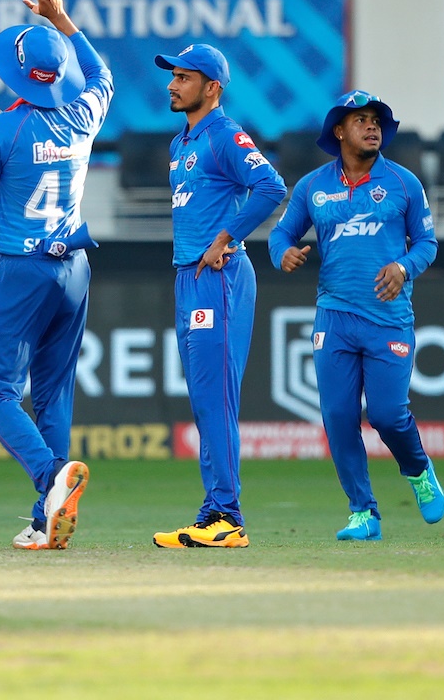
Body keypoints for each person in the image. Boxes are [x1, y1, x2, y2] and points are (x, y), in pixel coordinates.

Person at [0, 0, 111, 550]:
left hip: (22, 266)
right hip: (74, 265)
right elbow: (102, 75)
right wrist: (60, 16)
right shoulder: (83, 115)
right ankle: (46, 519)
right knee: (54, 392)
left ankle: (50, 482)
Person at [269, 90, 444, 541]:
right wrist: (284, 253)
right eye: (362, 120)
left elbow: (427, 244)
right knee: (339, 416)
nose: (373, 127)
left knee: (387, 415)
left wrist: (404, 267)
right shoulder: (312, 186)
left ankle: (419, 471)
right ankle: (363, 513)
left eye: (377, 120)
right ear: (340, 131)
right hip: (334, 318)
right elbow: (281, 233)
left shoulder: (405, 183)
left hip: (388, 318)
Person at [151, 43, 286, 549]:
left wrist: (227, 238)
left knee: (216, 399)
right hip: (190, 276)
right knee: (206, 401)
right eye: (173, 76)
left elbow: (272, 187)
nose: (172, 84)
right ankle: (215, 510)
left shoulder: (225, 134)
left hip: (219, 276)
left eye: (184, 77)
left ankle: (226, 515)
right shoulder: (180, 143)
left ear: (212, 88)